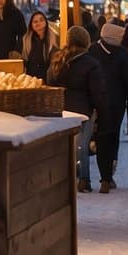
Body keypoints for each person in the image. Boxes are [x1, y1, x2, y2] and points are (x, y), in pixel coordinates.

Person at [48, 26, 106, 193]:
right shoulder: (91, 63)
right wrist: (101, 111)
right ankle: (84, 180)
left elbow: (50, 81)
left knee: (66, 145)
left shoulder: (58, 59)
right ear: (86, 42)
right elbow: (97, 92)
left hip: (62, 109)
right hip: (83, 111)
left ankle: (65, 177)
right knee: (82, 146)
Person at [89, 21, 128, 193]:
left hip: (96, 102)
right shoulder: (123, 54)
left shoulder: (92, 51)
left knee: (101, 137)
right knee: (111, 137)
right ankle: (107, 177)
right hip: (116, 104)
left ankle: (105, 178)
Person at [21, 10, 57, 81]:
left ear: (46, 22)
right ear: (31, 25)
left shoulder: (53, 40)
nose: (38, 23)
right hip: (31, 81)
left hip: (47, 81)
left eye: (41, 20)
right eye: (35, 22)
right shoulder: (25, 40)